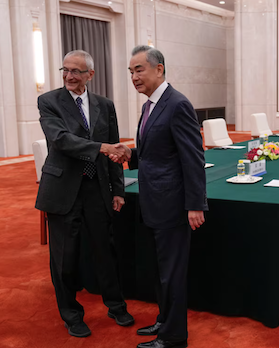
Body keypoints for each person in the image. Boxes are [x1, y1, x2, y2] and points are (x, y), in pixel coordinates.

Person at [111, 45, 208, 348]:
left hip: (173, 205)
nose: (134, 77)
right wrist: (132, 154)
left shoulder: (177, 104)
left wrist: (195, 205)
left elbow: (193, 158)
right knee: (161, 271)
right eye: (131, 72)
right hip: (155, 202)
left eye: (139, 69)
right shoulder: (149, 106)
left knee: (172, 274)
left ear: (159, 69)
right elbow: (160, 153)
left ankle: (174, 337)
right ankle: (164, 321)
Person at [35, 50, 134, 338]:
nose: (69, 76)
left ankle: (116, 306)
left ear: (90, 75)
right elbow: (61, 140)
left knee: (106, 253)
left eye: (76, 71)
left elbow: (114, 146)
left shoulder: (105, 105)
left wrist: (118, 190)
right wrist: (101, 148)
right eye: (65, 70)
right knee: (64, 259)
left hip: (97, 189)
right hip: (63, 190)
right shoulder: (49, 101)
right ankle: (71, 314)